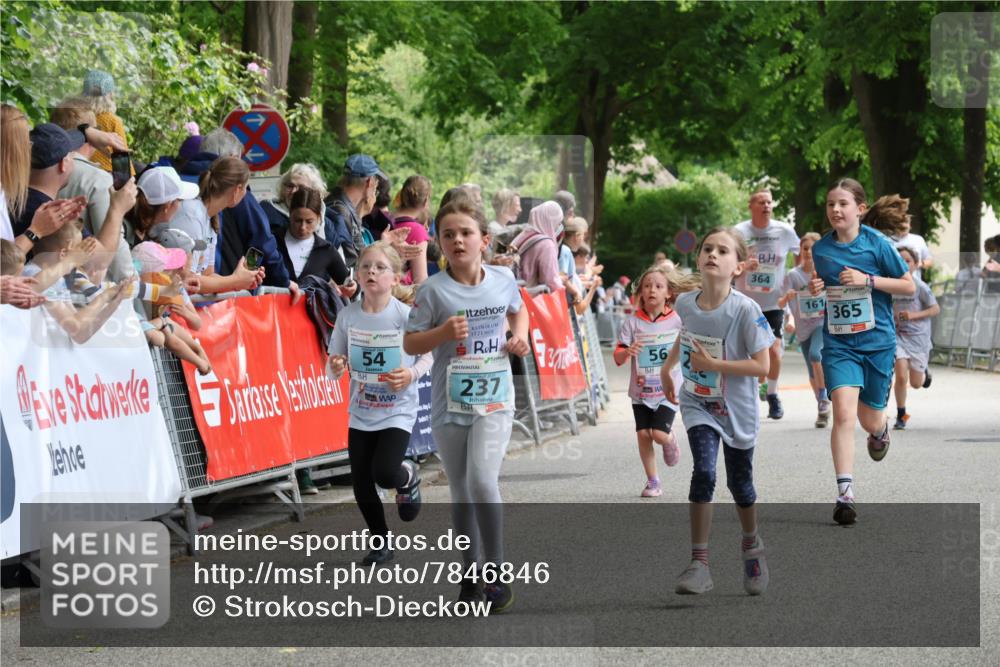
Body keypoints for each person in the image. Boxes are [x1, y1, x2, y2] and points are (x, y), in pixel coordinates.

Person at [403, 197, 530, 613]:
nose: (457, 240)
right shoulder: (433, 289)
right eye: (448, 235)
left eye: (466, 233)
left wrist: (519, 337)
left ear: (484, 240)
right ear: (440, 243)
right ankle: (470, 573)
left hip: (495, 397)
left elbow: (519, 311)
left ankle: (496, 572)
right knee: (460, 491)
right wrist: (441, 333)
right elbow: (410, 342)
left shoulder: (502, 279)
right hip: (449, 401)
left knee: (480, 481)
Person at [660, 227, 774, 596]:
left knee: (740, 485)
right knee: (705, 472)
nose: (712, 254)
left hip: (737, 408)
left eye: (723, 251)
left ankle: (751, 543)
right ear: (698, 258)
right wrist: (667, 367)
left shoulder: (746, 310)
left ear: (737, 266)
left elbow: (763, 368)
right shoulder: (685, 304)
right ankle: (699, 564)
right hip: (698, 403)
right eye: (707, 248)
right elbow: (686, 334)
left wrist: (714, 365)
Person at [809, 181, 914, 525]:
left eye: (842, 204)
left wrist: (867, 280)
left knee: (869, 419)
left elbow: (907, 284)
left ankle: (880, 431)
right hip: (839, 344)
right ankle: (845, 494)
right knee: (842, 413)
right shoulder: (821, 250)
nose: (835, 210)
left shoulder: (877, 244)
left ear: (861, 208)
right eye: (830, 204)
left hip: (877, 343)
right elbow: (828, 284)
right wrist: (818, 286)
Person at [327, 241, 432, 564]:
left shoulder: (404, 316)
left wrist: (410, 374)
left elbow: (427, 355)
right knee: (361, 482)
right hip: (361, 409)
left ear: (396, 277)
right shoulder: (348, 316)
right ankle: (380, 541)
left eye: (380, 267)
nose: (371, 271)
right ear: (357, 274)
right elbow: (333, 359)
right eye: (365, 266)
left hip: (397, 409)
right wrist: (337, 366)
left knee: (384, 473)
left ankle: (406, 476)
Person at [614, 264, 699, 497]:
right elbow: (618, 357)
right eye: (647, 286)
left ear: (668, 293)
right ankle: (653, 482)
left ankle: (670, 440)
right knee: (643, 434)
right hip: (641, 390)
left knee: (658, 435)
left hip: (668, 388)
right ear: (640, 292)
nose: (652, 290)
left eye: (658, 286)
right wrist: (627, 351)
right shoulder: (632, 323)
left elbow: (690, 344)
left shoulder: (677, 320)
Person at [174, 128, 291, 288]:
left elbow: (207, 275)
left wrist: (242, 280)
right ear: (237, 190)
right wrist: (235, 281)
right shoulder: (192, 214)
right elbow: (188, 280)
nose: (247, 195)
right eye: (245, 188)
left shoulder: (211, 219)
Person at [49, 97, 138, 281]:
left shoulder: (42, 169)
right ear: (90, 135)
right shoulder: (97, 179)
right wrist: (131, 282)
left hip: (47, 273)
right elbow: (114, 244)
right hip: (87, 284)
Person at [732, 189, 800, 420]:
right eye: (761, 202)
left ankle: (772, 394)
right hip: (746, 303)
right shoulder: (739, 232)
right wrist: (742, 265)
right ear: (751, 205)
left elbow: (800, 253)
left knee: (774, 350)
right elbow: (729, 260)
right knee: (750, 353)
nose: (767, 206)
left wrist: (795, 279)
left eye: (769, 202)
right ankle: (749, 393)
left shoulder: (784, 230)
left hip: (774, 302)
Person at [777, 232, 832, 428]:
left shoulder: (826, 272)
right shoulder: (793, 275)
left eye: (813, 248)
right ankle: (821, 407)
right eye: (806, 248)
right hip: (803, 327)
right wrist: (788, 303)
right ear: (800, 250)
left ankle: (824, 398)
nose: (809, 252)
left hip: (822, 322)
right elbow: (781, 302)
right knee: (811, 371)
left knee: (816, 355)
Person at [892, 246, 940, 429]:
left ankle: (924, 371)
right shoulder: (892, 285)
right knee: (901, 376)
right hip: (898, 336)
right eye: (900, 260)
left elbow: (935, 309)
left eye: (907, 261)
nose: (903, 264)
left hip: (918, 338)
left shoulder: (920, 287)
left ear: (915, 264)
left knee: (916, 383)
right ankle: (901, 414)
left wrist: (911, 316)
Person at [274, 186, 352, 286]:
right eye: (298, 220)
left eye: (309, 222)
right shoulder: (272, 241)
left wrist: (353, 287)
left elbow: (348, 284)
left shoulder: (326, 250)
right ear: (290, 214)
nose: (303, 227)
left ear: (319, 218)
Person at [326, 154, 384, 269]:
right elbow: (355, 263)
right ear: (369, 182)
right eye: (376, 183)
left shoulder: (335, 203)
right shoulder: (341, 212)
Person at [262, 163, 338, 243]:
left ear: (315, 191)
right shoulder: (266, 215)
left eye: (301, 187)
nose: (293, 191)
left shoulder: (327, 223)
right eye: (290, 186)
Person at [81, 70, 130, 174]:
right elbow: (123, 166)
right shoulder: (113, 121)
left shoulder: (75, 117)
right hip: (106, 178)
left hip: (75, 173)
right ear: (110, 94)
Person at [512, 201, 564, 294]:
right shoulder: (547, 245)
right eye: (558, 222)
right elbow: (551, 282)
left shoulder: (522, 236)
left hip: (515, 296)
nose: (558, 226)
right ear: (551, 221)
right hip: (533, 301)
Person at [890, 213, 933, 282]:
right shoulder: (886, 240)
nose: (903, 225)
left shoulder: (918, 239)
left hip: (915, 284)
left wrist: (919, 263)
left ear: (910, 225)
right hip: (893, 284)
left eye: (906, 222)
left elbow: (929, 261)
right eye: (900, 222)